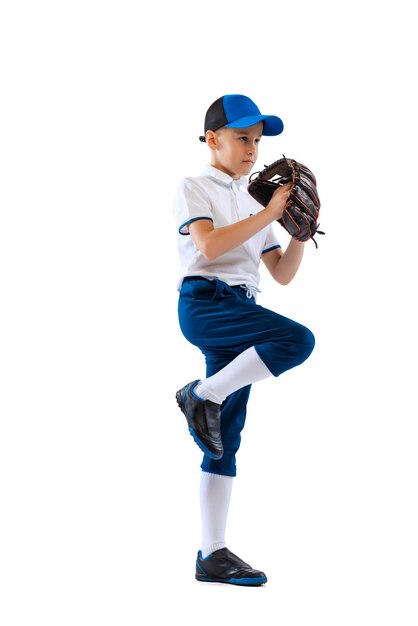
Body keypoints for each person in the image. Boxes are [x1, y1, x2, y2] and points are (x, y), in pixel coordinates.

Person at [173, 94, 315, 586]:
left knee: (222, 440)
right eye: (241, 138)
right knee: (298, 341)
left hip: (244, 308)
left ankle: (212, 554)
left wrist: (299, 229)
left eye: (257, 141)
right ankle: (201, 394)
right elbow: (209, 245)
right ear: (213, 140)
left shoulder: (257, 203)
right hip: (207, 303)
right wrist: (270, 209)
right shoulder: (195, 186)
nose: (252, 149)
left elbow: (281, 274)